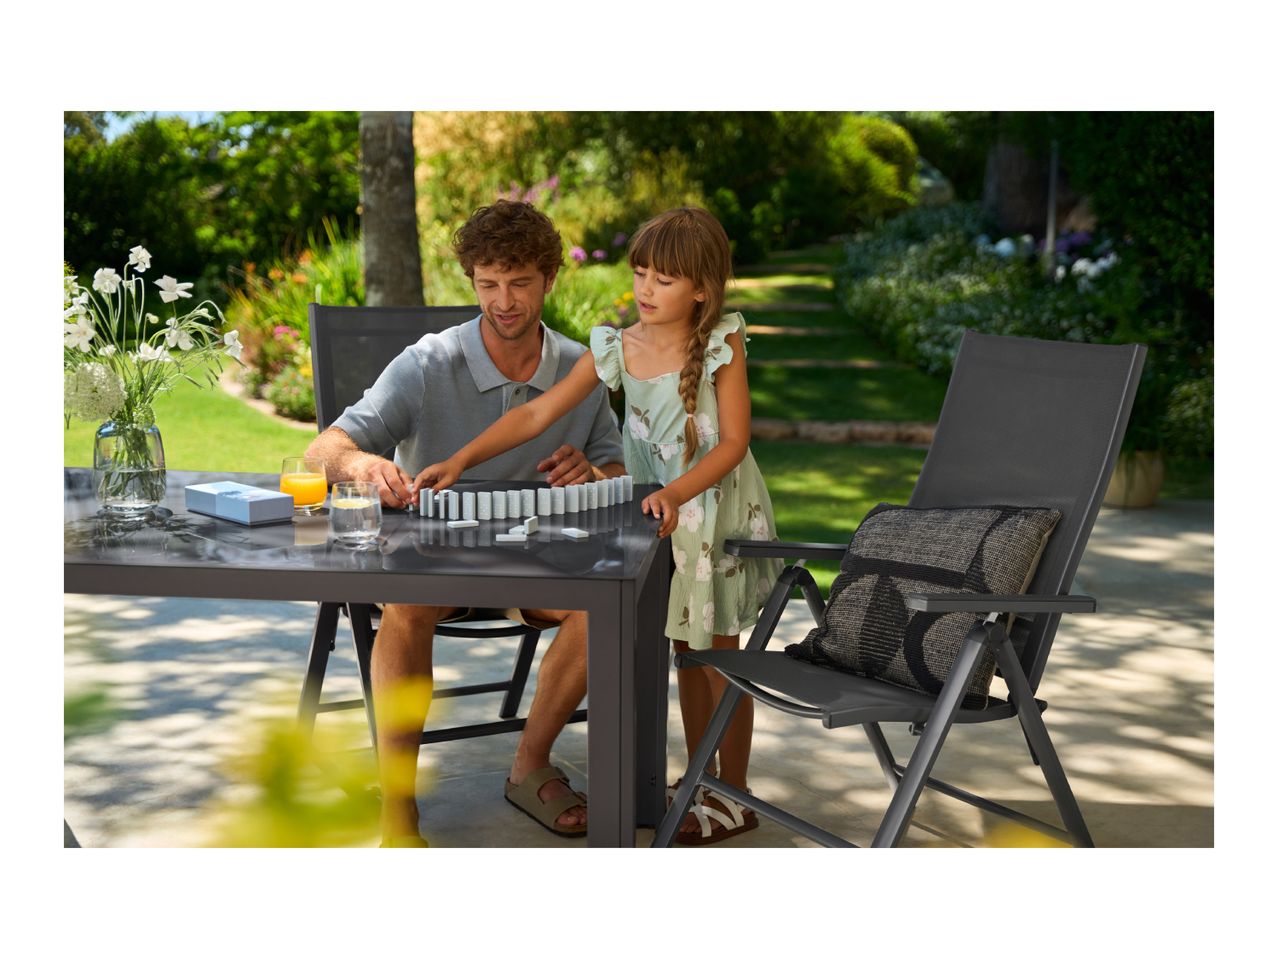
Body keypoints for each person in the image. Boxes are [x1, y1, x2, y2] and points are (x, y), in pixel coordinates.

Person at [413, 206, 783, 845]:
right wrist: (460, 460)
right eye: (640, 273)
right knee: (681, 651)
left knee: (715, 657)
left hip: (709, 511)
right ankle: (703, 779)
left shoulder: (722, 342)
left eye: (664, 279)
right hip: (654, 518)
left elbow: (733, 444)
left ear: (701, 289)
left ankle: (734, 792)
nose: (645, 289)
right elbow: (535, 416)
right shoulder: (616, 346)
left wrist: (673, 491)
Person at [306, 200, 626, 845]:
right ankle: (399, 803)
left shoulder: (581, 369)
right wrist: (366, 466)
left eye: (520, 283)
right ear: (472, 280)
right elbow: (323, 451)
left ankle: (530, 765)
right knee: (406, 599)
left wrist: (593, 472)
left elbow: (616, 468)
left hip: (540, 559)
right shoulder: (427, 364)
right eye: (488, 284)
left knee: (608, 604)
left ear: (550, 278)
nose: (503, 301)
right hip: (435, 558)